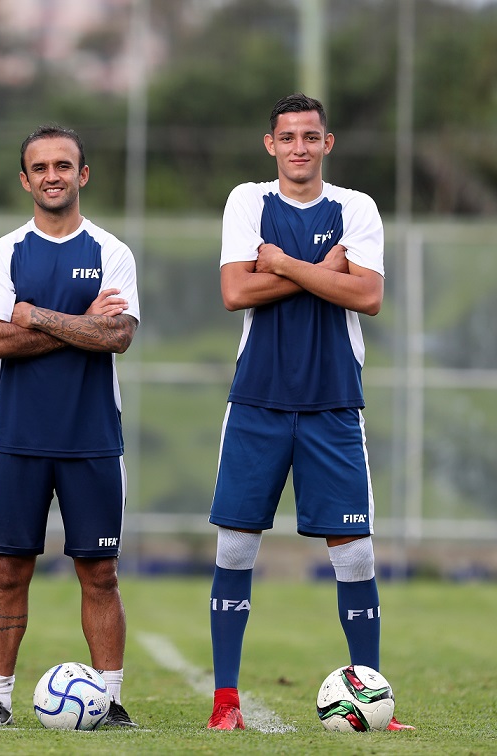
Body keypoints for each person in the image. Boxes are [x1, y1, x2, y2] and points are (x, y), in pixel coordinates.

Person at [206, 93, 412, 731]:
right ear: (271, 145)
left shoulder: (357, 207)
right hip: (258, 401)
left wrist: (283, 262)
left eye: (310, 136)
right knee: (236, 548)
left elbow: (368, 295)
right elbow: (236, 291)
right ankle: (226, 705)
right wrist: (323, 271)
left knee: (354, 555)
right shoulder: (248, 200)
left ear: (329, 143)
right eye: (288, 137)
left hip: (332, 404)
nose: (299, 147)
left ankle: (372, 694)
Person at [0, 125, 140, 728]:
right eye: (40, 167)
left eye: (63, 165)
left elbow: (116, 335)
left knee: (101, 573)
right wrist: (77, 324)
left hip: (92, 436)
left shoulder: (111, 251)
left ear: (82, 175)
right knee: (9, 571)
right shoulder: (3, 253)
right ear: (25, 179)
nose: (52, 176)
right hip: (17, 437)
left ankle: (113, 702)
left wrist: (36, 316)